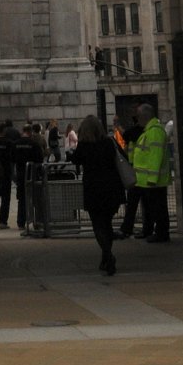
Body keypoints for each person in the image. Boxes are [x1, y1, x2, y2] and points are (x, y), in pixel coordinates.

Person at [73, 116, 124, 274]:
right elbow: (122, 157)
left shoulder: (84, 146)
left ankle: (108, 255)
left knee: (98, 224)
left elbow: (75, 159)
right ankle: (105, 257)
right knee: (107, 223)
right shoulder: (109, 142)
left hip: (93, 188)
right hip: (111, 187)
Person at [130, 101, 173, 243]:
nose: (137, 119)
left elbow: (156, 156)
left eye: (138, 116)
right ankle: (155, 231)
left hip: (154, 181)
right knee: (153, 208)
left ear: (144, 117)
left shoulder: (154, 132)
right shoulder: (150, 131)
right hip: (148, 181)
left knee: (158, 208)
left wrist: (152, 179)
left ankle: (161, 233)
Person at [0, 122, 16, 230]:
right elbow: (13, 158)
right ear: (4, 130)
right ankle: (3, 221)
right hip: (6, 173)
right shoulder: (9, 143)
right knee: (5, 198)